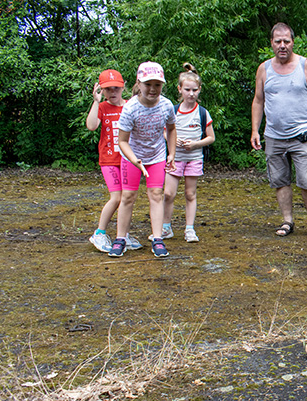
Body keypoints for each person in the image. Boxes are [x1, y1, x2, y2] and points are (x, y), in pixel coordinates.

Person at [250, 22, 307, 238]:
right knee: (280, 181)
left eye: (286, 41)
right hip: (273, 136)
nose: (282, 45)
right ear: (272, 43)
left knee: (306, 180)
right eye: (278, 41)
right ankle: (288, 221)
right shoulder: (263, 69)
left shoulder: (306, 66)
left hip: (302, 136)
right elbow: (258, 100)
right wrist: (255, 130)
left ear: (293, 42)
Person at [109, 61, 177, 258]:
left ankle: (157, 238)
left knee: (156, 194)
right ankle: (121, 238)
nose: (153, 89)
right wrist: (135, 161)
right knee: (128, 197)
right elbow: (122, 141)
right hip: (131, 156)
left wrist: (171, 153)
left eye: (157, 84)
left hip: (156, 156)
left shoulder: (166, 106)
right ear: (139, 83)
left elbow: (171, 129)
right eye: (148, 84)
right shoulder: (130, 108)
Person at [154, 63, 215, 243]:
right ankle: (166, 227)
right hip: (175, 158)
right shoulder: (172, 111)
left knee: (190, 194)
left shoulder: (203, 113)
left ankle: (189, 229)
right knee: (168, 194)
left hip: (194, 158)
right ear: (179, 89)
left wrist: (196, 144)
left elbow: (211, 138)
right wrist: (172, 140)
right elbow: (164, 131)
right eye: (187, 89)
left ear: (199, 90)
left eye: (194, 90)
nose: (191, 93)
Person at [84, 69, 142, 253]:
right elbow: (92, 126)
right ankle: (100, 233)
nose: (113, 93)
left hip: (128, 160)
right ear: (102, 90)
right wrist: (96, 102)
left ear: (123, 86)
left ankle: (122, 235)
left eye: (116, 88)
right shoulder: (102, 108)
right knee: (116, 197)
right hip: (109, 160)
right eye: (108, 89)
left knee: (128, 198)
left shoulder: (130, 105)